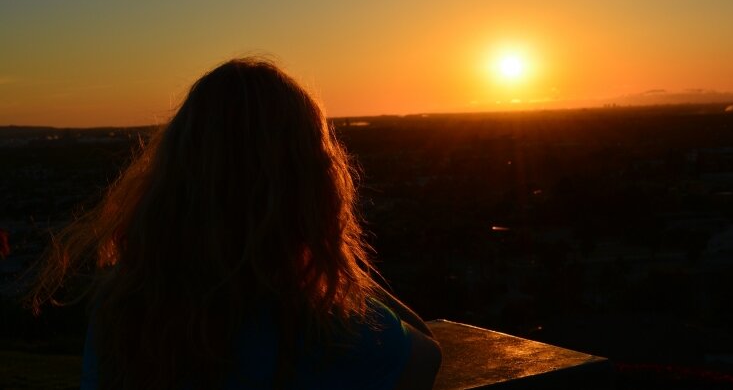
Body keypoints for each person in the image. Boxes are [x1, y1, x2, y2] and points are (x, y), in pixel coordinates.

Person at [28, 58, 442, 389]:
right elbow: (426, 351)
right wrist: (330, 256)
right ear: (311, 186)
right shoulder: (329, 334)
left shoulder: (124, 312)